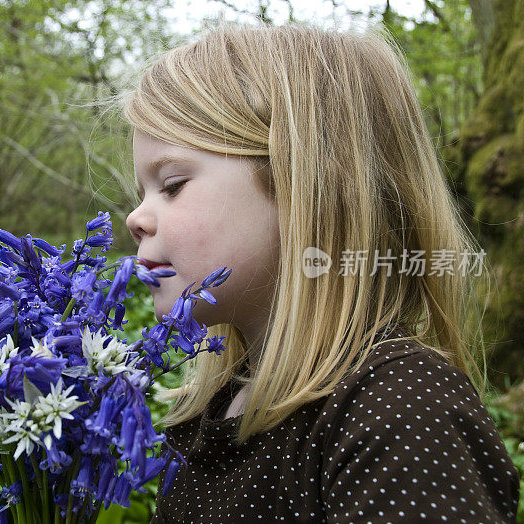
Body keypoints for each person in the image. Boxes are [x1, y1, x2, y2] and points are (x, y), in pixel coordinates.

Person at [120, 23, 520, 522]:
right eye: (142, 191)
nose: (136, 218)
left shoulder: (400, 409)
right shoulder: (216, 414)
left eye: (172, 184)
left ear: (305, 186)